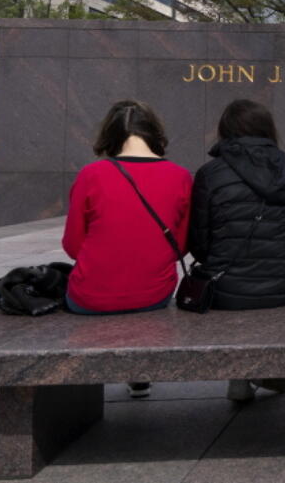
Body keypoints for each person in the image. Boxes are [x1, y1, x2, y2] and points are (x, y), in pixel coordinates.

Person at [189, 99, 285, 402]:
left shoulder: (210, 174)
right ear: (267, 129)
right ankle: (267, 373)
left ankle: (241, 373)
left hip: (227, 289)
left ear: (225, 131)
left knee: (235, 291)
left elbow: (199, 242)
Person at [63, 99, 192, 397]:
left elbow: (72, 246)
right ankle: (138, 374)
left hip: (89, 297)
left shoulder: (91, 175)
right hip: (154, 295)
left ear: (109, 135)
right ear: (154, 134)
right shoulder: (181, 176)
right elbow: (180, 246)